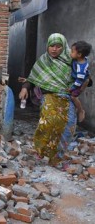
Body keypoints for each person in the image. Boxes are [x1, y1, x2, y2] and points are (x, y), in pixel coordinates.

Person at [19, 33, 77, 167]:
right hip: (49, 95)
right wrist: (24, 88)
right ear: (47, 46)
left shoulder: (71, 60)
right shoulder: (43, 61)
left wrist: (85, 82)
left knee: (68, 127)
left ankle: (57, 157)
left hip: (68, 97)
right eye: (52, 46)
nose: (54, 49)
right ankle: (41, 150)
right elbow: (32, 78)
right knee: (48, 123)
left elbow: (83, 74)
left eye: (58, 46)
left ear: (63, 47)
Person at [68, 41, 92, 122]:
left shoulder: (80, 68)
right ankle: (77, 108)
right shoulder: (79, 59)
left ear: (79, 55)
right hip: (83, 80)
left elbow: (79, 80)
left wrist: (72, 88)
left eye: (72, 51)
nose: (70, 53)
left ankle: (81, 110)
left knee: (73, 96)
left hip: (81, 83)